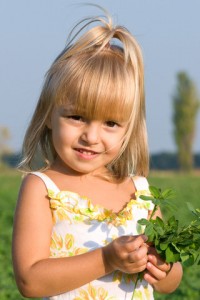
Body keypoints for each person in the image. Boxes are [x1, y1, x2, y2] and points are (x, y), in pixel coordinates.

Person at [12, 7, 183, 300]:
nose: (91, 137)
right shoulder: (42, 188)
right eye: (77, 117)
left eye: (111, 123)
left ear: (128, 130)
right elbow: (30, 280)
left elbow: (171, 280)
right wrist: (107, 259)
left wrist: (163, 267)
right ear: (49, 116)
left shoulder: (139, 192)